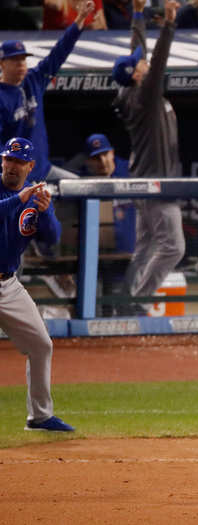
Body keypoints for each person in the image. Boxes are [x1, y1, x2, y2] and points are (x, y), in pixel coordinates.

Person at [111, 0, 186, 313]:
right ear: (137, 76)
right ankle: (138, 301)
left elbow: (137, 50)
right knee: (174, 247)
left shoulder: (134, 88)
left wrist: (138, 14)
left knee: (146, 248)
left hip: (148, 179)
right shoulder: (143, 97)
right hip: (156, 184)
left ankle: (124, 303)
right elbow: (158, 63)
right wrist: (169, 23)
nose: (143, 63)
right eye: (139, 65)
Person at [0, 137, 74, 432]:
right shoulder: (17, 195)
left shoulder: (35, 196)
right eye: (9, 159)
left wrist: (45, 213)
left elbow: (52, 240)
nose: (13, 166)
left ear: (30, 166)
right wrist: (21, 199)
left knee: (41, 345)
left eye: (19, 162)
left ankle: (40, 416)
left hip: (7, 284)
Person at [0, 0, 95, 184]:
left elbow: (58, 54)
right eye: (15, 60)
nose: (21, 64)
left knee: (81, 189)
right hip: (17, 178)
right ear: (2, 64)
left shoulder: (34, 79)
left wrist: (79, 21)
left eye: (23, 59)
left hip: (44, 169)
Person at [81, 133, 136, 316]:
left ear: (112, 153)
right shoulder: (82, 180)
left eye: (105, 154)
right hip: (95, 257)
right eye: (96, 157)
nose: (103, 161)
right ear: (89, 161)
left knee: (124, 310)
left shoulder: (130, 171)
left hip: (127, 254)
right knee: (94, 308)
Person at [43, 0, 108, 29]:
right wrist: (84, 27)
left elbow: (103, 26)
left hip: (85, 43)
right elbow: (55, 4)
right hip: (55, 44)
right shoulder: (57, 2)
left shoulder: (94, 1)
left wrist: (95, 26)